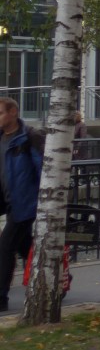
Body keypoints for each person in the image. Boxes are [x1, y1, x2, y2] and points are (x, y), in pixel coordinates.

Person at [0, 97, 45, 312]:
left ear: (13, 113)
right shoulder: (0, 138)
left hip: (25, 204)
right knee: (24, 247)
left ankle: (1, 298)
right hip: (7, 202)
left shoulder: (29, 138)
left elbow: (45, 172)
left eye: (0, 113)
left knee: (5, 247)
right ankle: (53, 278)